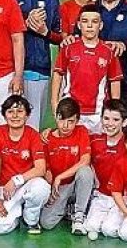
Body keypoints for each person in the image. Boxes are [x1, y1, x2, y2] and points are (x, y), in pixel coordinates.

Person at [10, 0, 63, 130]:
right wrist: (24, 24)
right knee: (10, 122)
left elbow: (59, 37)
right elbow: (2, 34)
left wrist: (44, 31)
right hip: (11, 71)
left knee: (33, 125)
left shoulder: (51, 1)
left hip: (40, 69)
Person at [0, 94, 52, 235]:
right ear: (4, 115)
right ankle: (15, 214)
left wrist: (16, 180)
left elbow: (40, 168)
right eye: (10, 111)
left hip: (25, 185)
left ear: (27, 115)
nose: (15, 115)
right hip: (4, 189)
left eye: (20, 111)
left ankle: (30, 219)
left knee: (41, 188)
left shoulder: (33, 135)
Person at [52, 4, 123, 133]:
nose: (89, 25)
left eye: (94, 21)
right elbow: (58, 74)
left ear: (100, 25)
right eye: (85, 21)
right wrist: (54, 102)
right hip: (72, 111)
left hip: (98, 113)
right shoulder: (68, 48)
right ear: (79, 25)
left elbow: (115, 81)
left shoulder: (108, 51)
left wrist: (114, 110)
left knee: (97, 150)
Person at [39, 97, 95, 235]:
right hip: (59, 189)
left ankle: (79, 216)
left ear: (77, 121)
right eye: (62, 119)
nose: (65, 125)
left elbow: (85, 160)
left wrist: (60, 177)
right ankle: (68, 208)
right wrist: (51, 184)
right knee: (46, 223)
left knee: (85, 171)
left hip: (76, 184)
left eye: (71, 121)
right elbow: (44, 168)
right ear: (55, 116)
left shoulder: (81, 132)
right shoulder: (47, 138)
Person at [83, 99, 127, 239]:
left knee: (109, 230)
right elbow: (73, 137)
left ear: (124, 122)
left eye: (115, 119)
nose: (110, 124)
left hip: (123, 198)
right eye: (106, 118)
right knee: (90, 227)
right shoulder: (94, 140)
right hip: (101, 196)